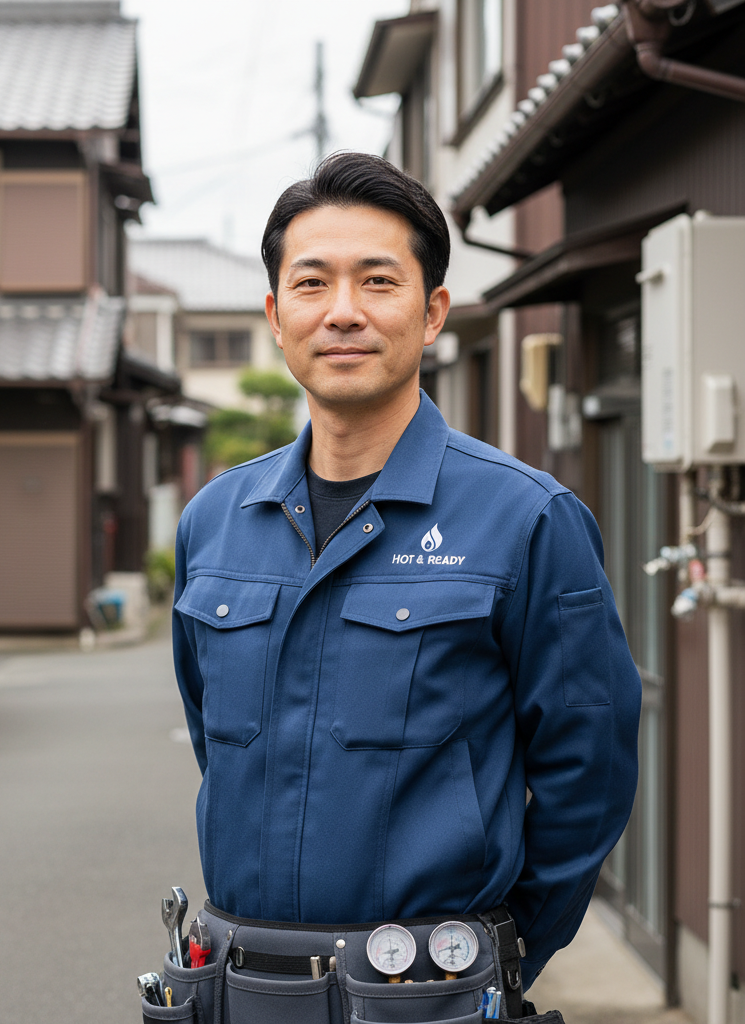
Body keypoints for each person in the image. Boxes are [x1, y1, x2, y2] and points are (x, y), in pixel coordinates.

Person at [170, 152, 640, 1000]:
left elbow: (590, 770)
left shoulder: (526, 518)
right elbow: (218, 745)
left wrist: (503, 947)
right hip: (236, 987)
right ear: (277, 317)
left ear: (432, 315)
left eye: (377, 282)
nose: (343, 312)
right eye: (312, 285)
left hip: (430, 996)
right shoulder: (214, 522)